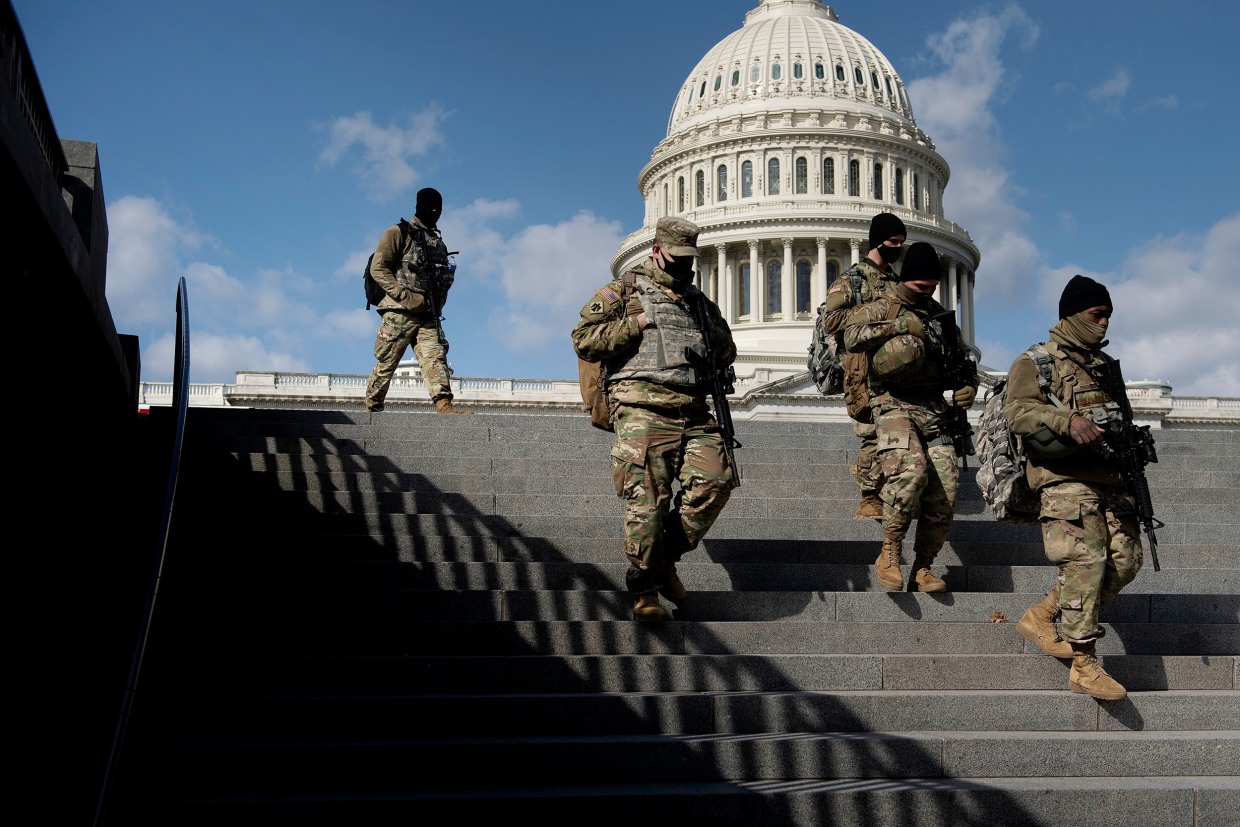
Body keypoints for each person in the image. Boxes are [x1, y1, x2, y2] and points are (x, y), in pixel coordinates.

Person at [571, 216, 737, 622]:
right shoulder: (624, 291)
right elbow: (584, 339)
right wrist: (638, 323)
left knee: (716, 482)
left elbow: (726, 348)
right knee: (646, 501)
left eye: (689, 259)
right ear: (657, 251)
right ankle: (645, 590)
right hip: (642, 407)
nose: (685, 266)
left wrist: (708, 344)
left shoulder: (699, 302)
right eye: (677, 257)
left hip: (694, 408)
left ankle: (663, 560)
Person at [1006, 275, 1142, 701]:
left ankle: (1043, 613)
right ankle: (1084, 664)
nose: (1104, 323)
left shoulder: (1103, 367)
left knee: (1126, 560)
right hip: (1063, 477)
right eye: (1096, 314)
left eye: (1108, 316)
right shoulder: (1037, 361)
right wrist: (1068, 420)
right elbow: (1019, 413)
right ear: (1072, 314)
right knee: (1084, 561)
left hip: (1109, 477)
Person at [842, 241, 977, 593]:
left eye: (932, 287)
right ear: (907, 279)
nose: (927, 292)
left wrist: (968, 388)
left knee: (945, 492)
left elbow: (962, 362)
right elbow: (851, 336)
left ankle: (923, 567)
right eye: (921, 286)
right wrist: (902, 326)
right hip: (891, 402)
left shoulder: (941, 318)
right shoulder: (881, 307)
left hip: (933, 409)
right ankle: (889, 551)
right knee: (910, 472)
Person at [821, 212, 907, 521]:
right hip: (861, 367)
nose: (898, 247)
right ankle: (869, 496)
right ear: (877, 241)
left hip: (895, 365)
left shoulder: (896, 281)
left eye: (901, 242)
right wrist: (877, 313)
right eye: (893, 241)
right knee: (871, 431)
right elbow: (831, 321)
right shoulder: (852, 279)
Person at [364, 187, 470, 414]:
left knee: (436, 357)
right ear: (419, 206)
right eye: (430, 206)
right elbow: (378, 268)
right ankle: (373, 407)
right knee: (387, 361)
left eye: (438, 208)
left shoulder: (437, 243)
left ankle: (444, 405)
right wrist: (404, 295)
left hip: (428, 313)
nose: (434, 211)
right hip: (399, 311)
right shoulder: (398, 232)